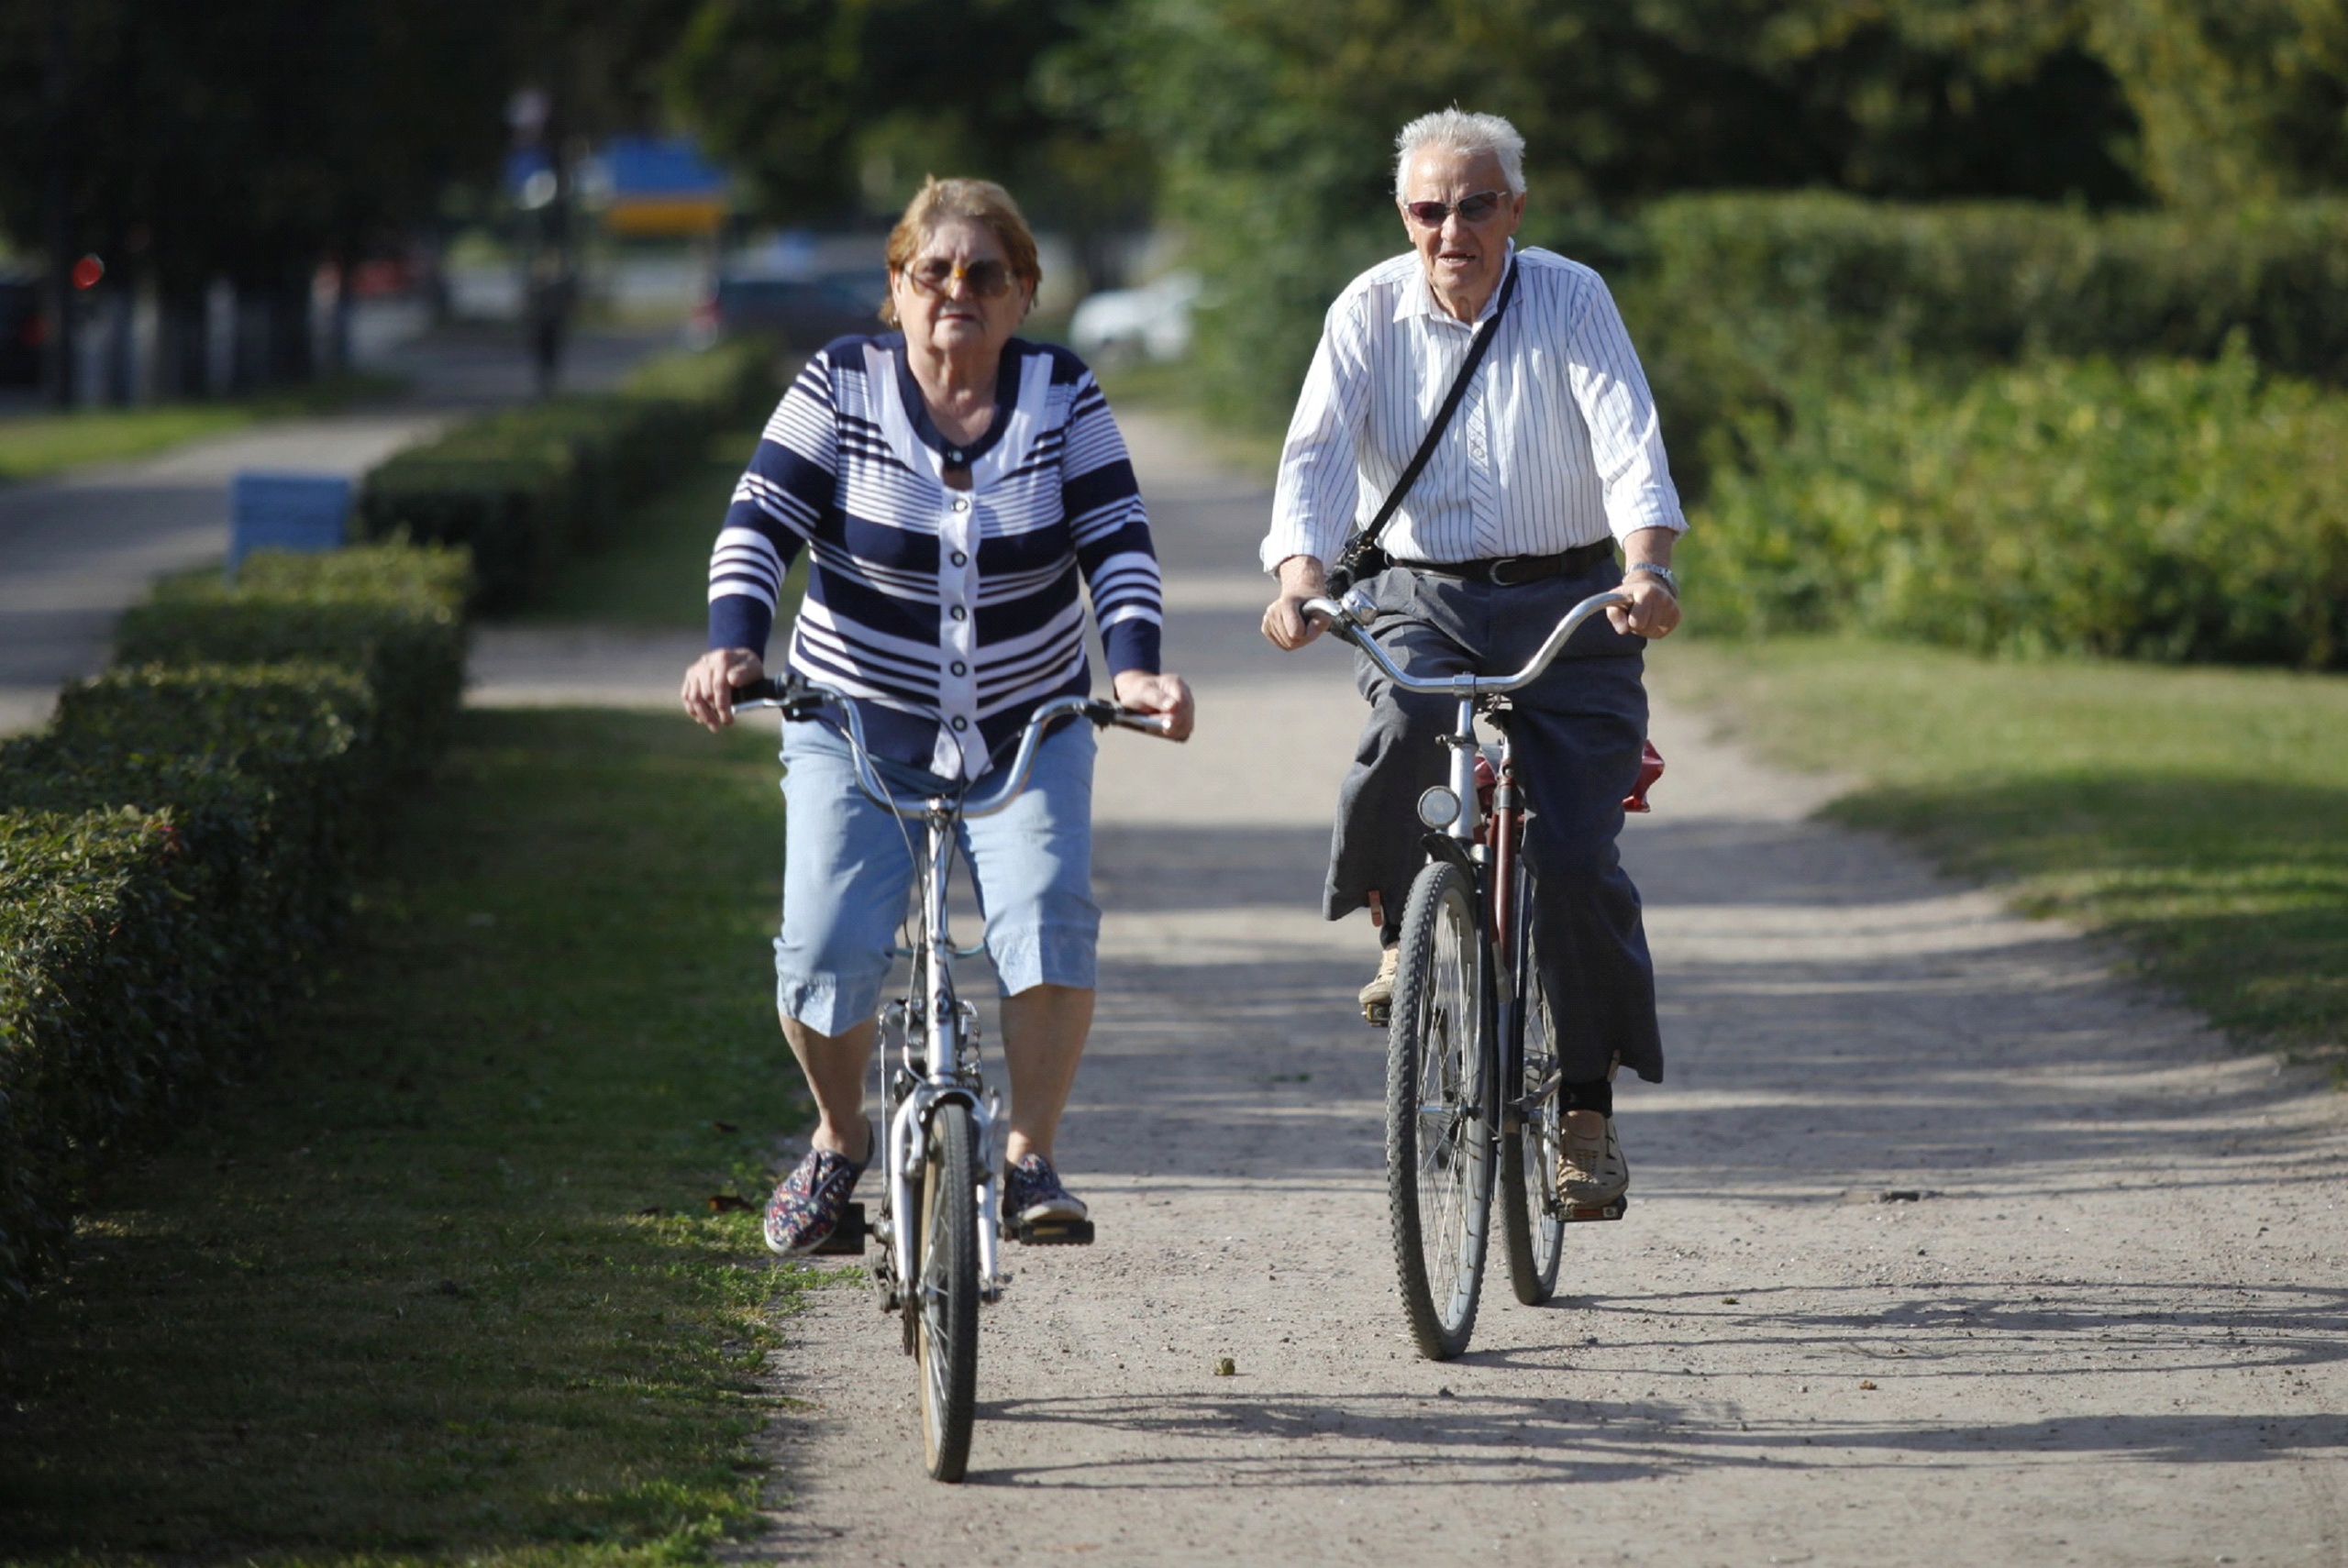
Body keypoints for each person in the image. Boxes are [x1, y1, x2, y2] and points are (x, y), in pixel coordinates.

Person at [682, 177, 1195, 1255]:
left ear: (1022, 296)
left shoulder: (1062, 393)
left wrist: (1138, 667)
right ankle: (837, 1142)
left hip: (1027, 723)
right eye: (934, 273)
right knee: (825, 948)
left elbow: (1117, 543)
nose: (956, 291)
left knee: (1050, 922)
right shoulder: (839, 383)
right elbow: (759, 519)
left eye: (984, 275)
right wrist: (735, 640)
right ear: (897, 289)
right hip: (854, 721)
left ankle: (1028, 1160)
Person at [1258, 110, 1682, 1209]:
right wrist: (1300, 578)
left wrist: (1646, 570)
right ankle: (1404, 926)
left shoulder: (1571, 296)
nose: (1453, 228)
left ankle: (1583, 1114)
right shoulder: (1366, 309)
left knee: (1581, 861)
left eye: (1477, 204)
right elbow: (1310, 456)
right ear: (1404, 215)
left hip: (1575, 595)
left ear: (1515, 211)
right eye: (1429, 208)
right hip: (1420, 591)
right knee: (1401, 721)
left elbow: (1625, 433)